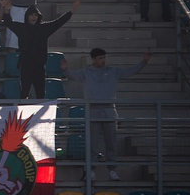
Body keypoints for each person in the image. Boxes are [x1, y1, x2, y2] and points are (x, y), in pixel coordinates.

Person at [61, 48, 152, 181]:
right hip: (93, 111)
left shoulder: (113, 71)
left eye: (104, 57)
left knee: (111, 143)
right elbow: (72, 75)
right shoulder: (86, 72)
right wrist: (65, 70)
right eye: (100, 58)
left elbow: (130, 71)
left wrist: (144, 62)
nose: (103, 60)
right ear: (93, 59)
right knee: (92, 144)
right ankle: (91, 170)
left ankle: (112, 169)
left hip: (109, 111)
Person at [5, 0, 81, 99]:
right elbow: (9, 23)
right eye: (31, 15)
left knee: (40, 93)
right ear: (27, 16)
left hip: (39, 65)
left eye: (35, 15)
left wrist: (71, 11)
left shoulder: (44, 28)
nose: (33, 17)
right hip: (26, 65)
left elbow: (58, 22)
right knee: (24, 92)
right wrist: (6, 11)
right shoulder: (22, 28)